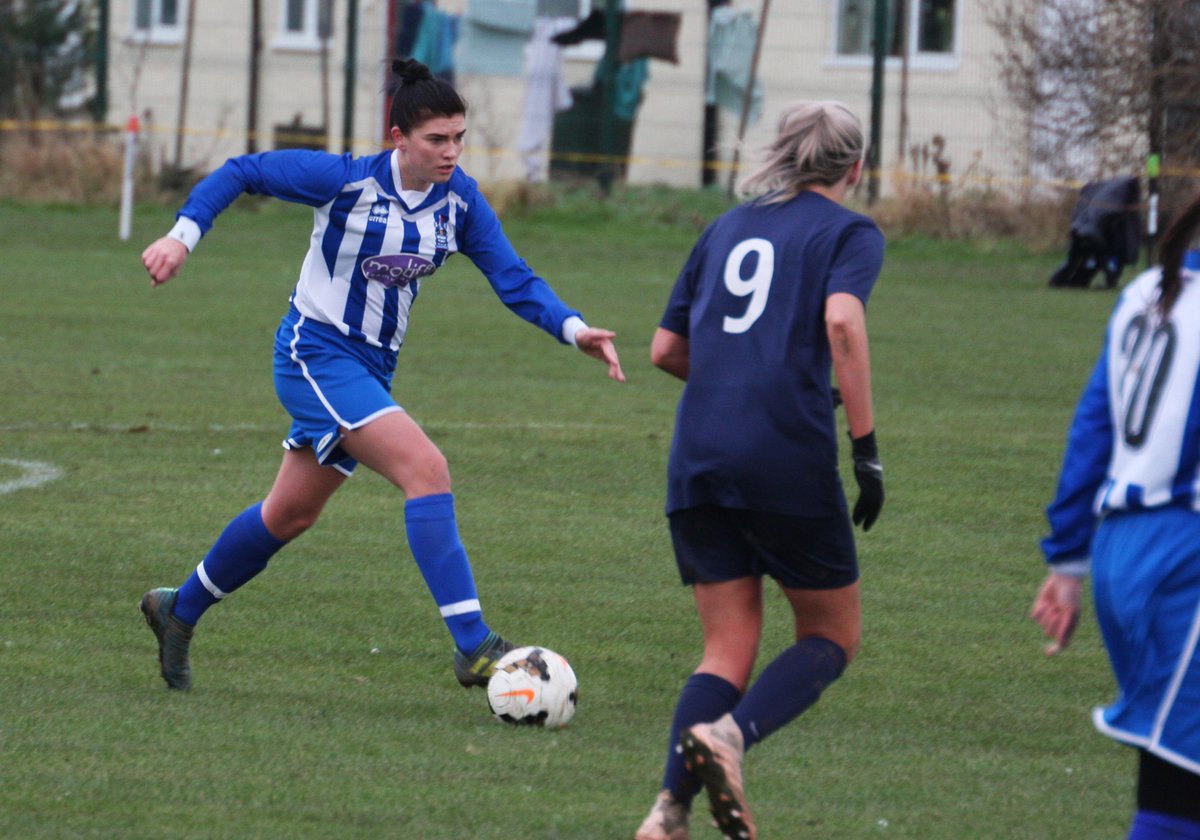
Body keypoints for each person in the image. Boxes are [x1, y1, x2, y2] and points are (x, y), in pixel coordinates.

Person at [138, 58, 625, 693]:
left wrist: (572, 328)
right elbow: (243, 171)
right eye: (436, 140)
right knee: (427, 470)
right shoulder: (344, 180)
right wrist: (182, 236)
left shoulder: (460, 202)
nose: (451, 152)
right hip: (314, 354)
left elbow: (514, 277)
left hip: (371, 369)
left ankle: (179, 609)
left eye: (458, 138)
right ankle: (474, 646)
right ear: (397, 136)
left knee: (288, 514)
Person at [634, 101, 885, 840]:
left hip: (699, 453)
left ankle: (666, 813)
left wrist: (737, 381)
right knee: (831, 635)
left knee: (726, 647)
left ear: (783, 154)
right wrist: (864, 445)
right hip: (784, 453)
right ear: (856, 168)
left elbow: (664, 350)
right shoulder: (850, 231)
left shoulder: (726, 226)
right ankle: (730, 738)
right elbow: (842, 321)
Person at [1032, 195, 1200, 839]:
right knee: (1177, 802)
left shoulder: (1145, 290)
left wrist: (1069, 563)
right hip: (1185, 559)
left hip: (1123, 554)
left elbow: (1092, 429)